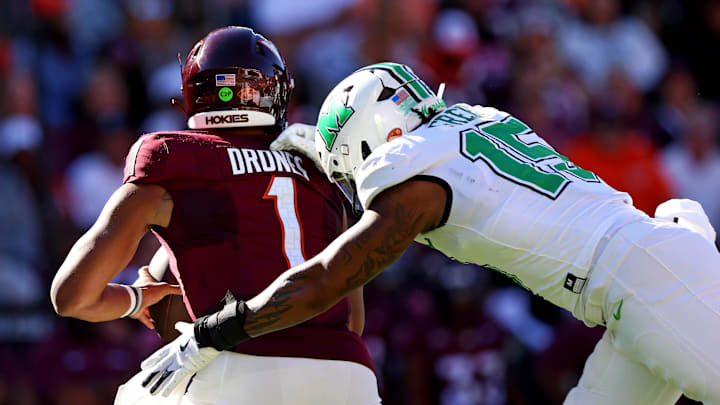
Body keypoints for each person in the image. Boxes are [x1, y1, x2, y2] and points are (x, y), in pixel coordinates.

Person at [142, 62, 720, 404]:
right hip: (639, 276)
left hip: (642, 280)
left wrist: (212, 333)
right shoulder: (472, 122)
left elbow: (323, 282)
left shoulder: (414, 179)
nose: (353, 180)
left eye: (350, 164)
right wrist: (301, 140)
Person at [50, 27, 380, 405]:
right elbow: (353, 321)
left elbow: (72, 296)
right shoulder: (321, 170)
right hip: (347, 375)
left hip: (238, 369)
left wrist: (136, 300)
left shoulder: (171, 159)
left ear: (193, 93)